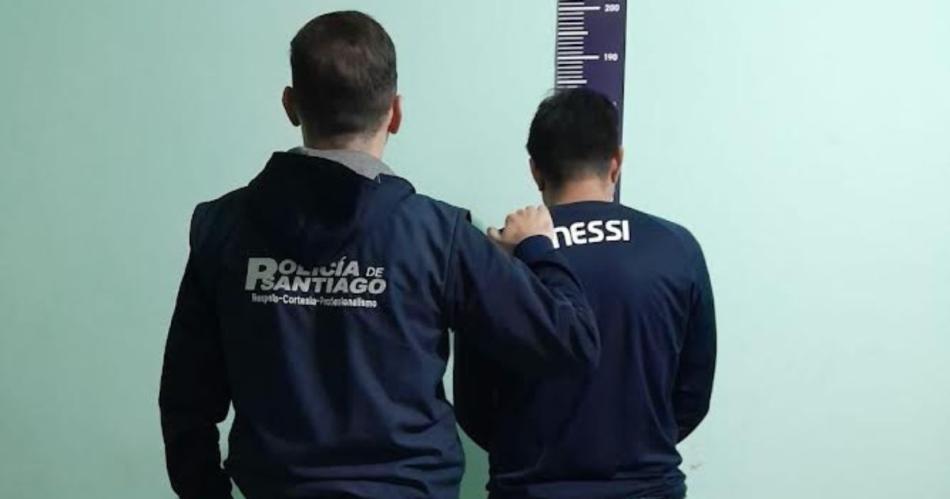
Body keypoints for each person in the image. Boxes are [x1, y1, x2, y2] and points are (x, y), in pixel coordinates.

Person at [158, 12, 601, 499]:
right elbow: (572, 341)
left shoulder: (223, 228)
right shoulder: (438, 237)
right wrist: (537, 246)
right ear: (395, 112)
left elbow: (185, 401)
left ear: (291, 105)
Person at [455, 88, 717, 499]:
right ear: (616, 163)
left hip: (530, 489)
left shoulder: (501, 257)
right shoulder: (676, 247)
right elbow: (693, 393)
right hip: (647, 488)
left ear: (535, 170)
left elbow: (473, 404)